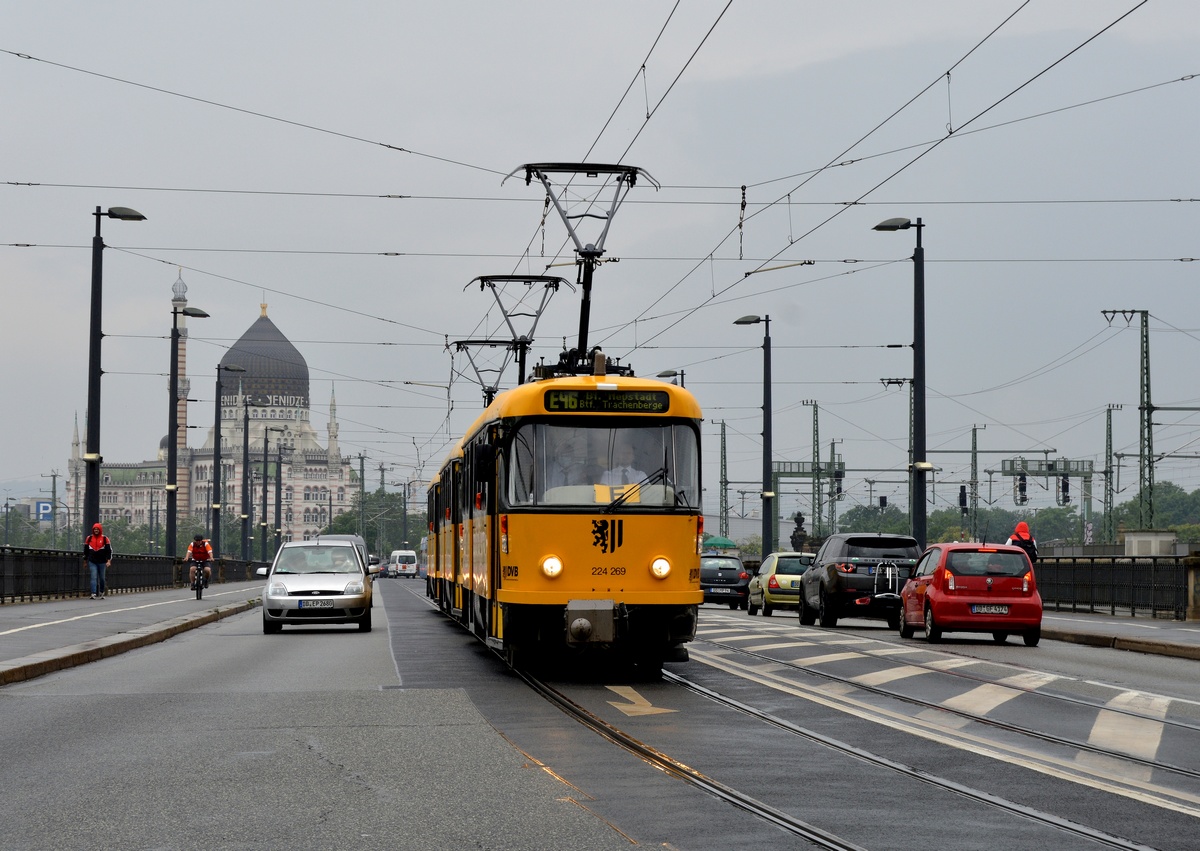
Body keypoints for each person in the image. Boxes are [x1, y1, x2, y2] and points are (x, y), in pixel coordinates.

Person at [83, 523, 112, 600]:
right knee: (93, 576)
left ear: (100, 530)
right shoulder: (89, 539)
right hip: (92, 561)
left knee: (102, 578)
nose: (96, 530)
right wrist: (85, 561)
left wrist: (108, 561)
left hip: (102, 562)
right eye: (95, 529)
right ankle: (93, 593)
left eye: (97, 529)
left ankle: (102, 592)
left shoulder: (105, 539)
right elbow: (85, 551)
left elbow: (108, 551)